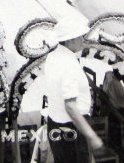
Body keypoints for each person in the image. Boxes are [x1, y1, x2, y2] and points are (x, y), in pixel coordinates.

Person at [44, 15, 104, 162]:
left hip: (55, 124)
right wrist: (91, 135)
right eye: (80, 36)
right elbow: (70, 106)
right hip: (72, 128)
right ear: (70, 39)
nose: (83, 39)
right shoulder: (69, 64)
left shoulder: (52, 57)